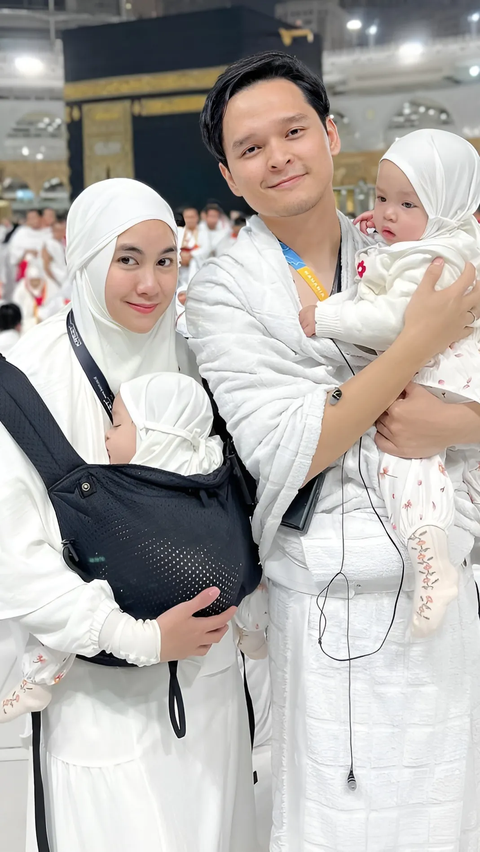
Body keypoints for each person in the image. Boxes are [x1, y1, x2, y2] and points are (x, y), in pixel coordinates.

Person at [185, 51, 480, 851]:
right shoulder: (223, 288)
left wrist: (457, 426)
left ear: (330, 134)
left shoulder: (405, 241)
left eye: (294, 131)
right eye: (251, 149)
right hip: (328, 601)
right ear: (230, 176)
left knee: (445, 814)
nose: (279, 156)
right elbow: (290, 446)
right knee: (337, 822)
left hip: (440, 578)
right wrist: (418, 338)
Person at [0, 178, 257, 852]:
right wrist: (141, 639)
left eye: (166, 260)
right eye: (128, 259)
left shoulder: (194, 357)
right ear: (86, 260)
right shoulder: (31, 382)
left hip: (208, 684)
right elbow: (16, 562)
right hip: (102, 698)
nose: (152, 284)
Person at [299, 129, 480, 637]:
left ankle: (429, 552)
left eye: (406, 203)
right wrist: (387, 234)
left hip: (439, 377)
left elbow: (394, 320)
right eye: (381, 199)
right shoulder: (445, 240)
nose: (387, 215)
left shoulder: (433, 260)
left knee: (406, 460)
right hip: (451, 381)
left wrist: (327, 318)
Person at [0, 370, 227, 721]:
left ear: (154, 435)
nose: (106, 434)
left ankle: (37, 678)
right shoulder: (210, 472)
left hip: (132, 609)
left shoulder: (137, 493)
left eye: (117, 426)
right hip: (207, 628)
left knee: (77, 594)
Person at [12, 256, 60, 333]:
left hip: (49, 328)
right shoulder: (20, 290)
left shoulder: (52, 287)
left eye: (37, 281)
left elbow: (58, 308)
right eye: (32, 281)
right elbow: (17, 317)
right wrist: (34, 321)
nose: (35, 284)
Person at [8, 209, 46, 279]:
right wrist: (25, 252)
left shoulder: (49, 232)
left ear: (41, 218)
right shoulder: (21, 232)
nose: (32, 220)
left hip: (44, 270)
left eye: (34, 217)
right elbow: (13, 251)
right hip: (25, 271)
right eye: (29, 218)